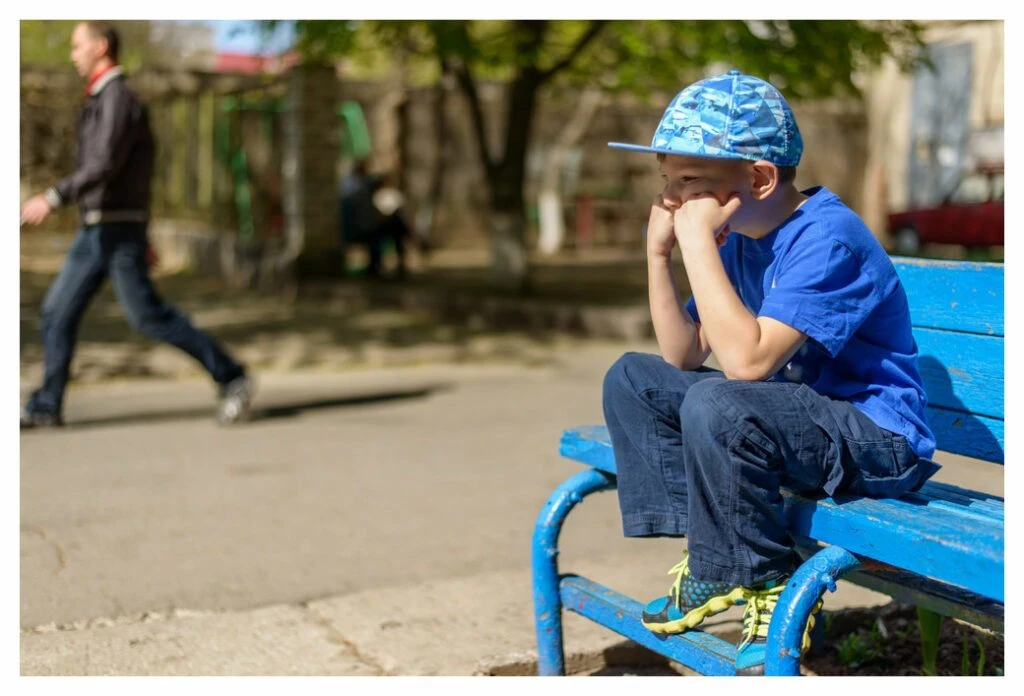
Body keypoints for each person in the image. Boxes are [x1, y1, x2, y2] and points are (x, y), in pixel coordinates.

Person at [601, 70, 940, 674]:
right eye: (667, 182)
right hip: (789, 425)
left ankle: (759, 575)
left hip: (879, 440)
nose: (673, 200)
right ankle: (713, 559)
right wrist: (659, 256)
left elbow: (747, 363)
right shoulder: (735, 240)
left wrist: (698, 244)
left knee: (720, 402)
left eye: (689, 182)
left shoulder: (828, 237)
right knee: (634, 378)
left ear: (758, 178)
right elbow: (684, 355)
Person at [20, 21, 254, 429]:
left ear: (102, 46)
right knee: (56, 312)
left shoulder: (118, 99)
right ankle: (46, 404)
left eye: (78, 46)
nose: (72, 54)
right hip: (97, 229)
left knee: (147, 317)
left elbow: (106, 165)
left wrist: (54, 197)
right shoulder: (100, 98)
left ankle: (232, 376)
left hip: (115, 231)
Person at [338, 159, 415, 279]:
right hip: (359, 229)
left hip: (363, 227)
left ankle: (407, 239)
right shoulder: (356, 188)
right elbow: (365, 216)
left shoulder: (356, 186)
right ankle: (412, 239)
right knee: (395, 226)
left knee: (395, 226)